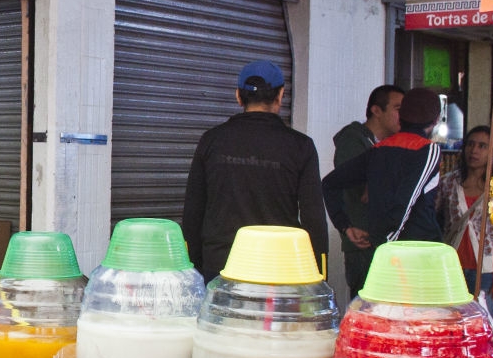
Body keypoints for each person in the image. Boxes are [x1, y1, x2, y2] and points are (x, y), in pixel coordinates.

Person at [180, 60, 327, 279]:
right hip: (279, 269)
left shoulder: (212, 140)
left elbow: (193, 210)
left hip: (220, 265)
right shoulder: (301, 146)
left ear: (238, 96)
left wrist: (194, 268)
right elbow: (313, 218)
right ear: (280, 96)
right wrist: (318, 276)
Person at [320, 90, 443, 261]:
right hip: (416, 251)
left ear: (401, 116)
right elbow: (406, 199)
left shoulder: (379, 149)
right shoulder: (428, 149)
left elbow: (328, 183)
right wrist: (388, 243)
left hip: (379, 246)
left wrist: (345, 226)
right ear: (436, 119)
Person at [331, 85, 404, 293]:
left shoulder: (390, 144)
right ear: (376, 110)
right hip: (363, 240)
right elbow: (365, 191)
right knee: (365, 309)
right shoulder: (354, 140)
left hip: (386, 242)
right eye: (398, 108)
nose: (403, 115)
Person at [437, 125, 493, 294]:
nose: (474, 150)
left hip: (487, 270)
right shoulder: (448, 182)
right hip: (452, 266)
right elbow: (432, 218)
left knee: (482, 318)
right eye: (470, 144)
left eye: (482, 146)